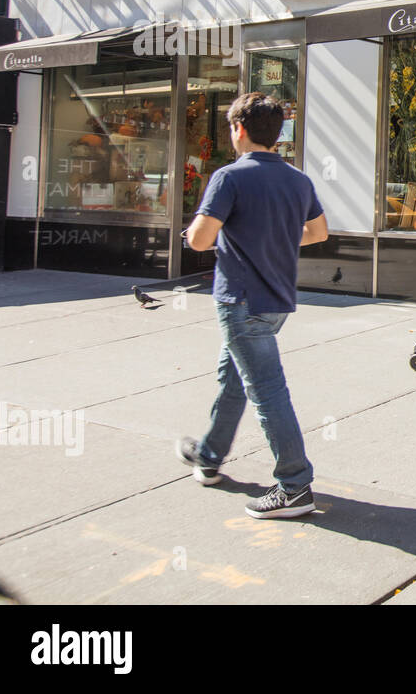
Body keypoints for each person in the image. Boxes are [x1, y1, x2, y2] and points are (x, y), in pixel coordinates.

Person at [175, 92, 329, 520]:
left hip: (241, 301)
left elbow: (201, 240)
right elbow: (318, 233)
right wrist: (273, 237)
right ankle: (209, 456)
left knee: (266, 390)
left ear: (239, 130)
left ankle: (295, 485)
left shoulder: (230, 177)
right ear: (276, 135)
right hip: (277, 300)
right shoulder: (298, 180)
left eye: (230, 128)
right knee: (234, 377)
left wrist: (194, 232)